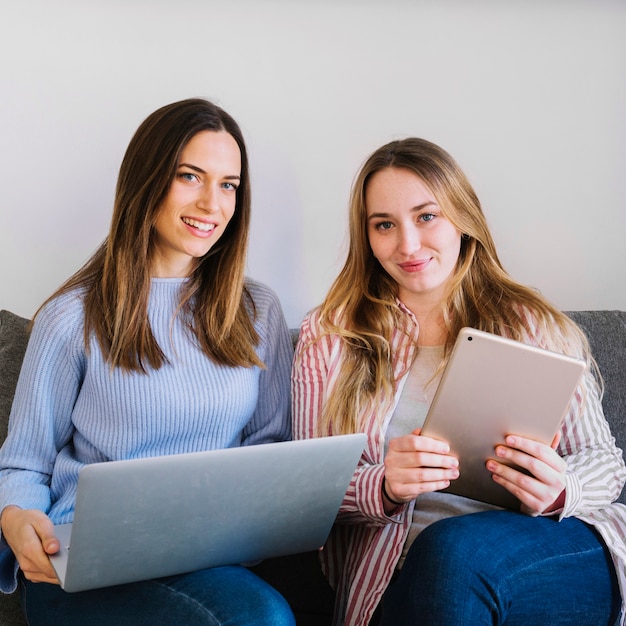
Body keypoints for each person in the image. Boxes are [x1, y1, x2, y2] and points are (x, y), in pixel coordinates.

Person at [292, 137, 626, 626]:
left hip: (544, 549)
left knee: (457, 551)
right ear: (367, 237)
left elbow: (606, 462)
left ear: (462, 220)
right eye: (384, 225)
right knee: (446, 556)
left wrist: (561, 488)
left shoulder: (529, 324)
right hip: (404, 572)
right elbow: (305, 488)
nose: (408, 245)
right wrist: (381, 485)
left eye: (427, 217)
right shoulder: (330, 334)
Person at [0, 98, 296, 625]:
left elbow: (267, 450)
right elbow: (25, 461)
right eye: (190, 176)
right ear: (148, 179)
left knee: (261, 613)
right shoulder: (72, 317)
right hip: (81, 567)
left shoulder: (259, 311)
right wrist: (18, 517)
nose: (212, 203)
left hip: (205, 560)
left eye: (229, 185)